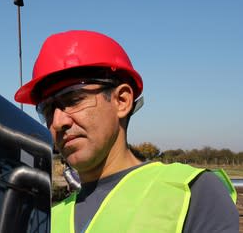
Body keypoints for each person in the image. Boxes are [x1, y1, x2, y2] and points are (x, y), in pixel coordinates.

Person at [14, 30, 238, 233]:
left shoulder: (191, 192)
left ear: (122, 100)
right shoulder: (50, 219)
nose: (58, 121)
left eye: (74, 100)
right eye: (48, 110)